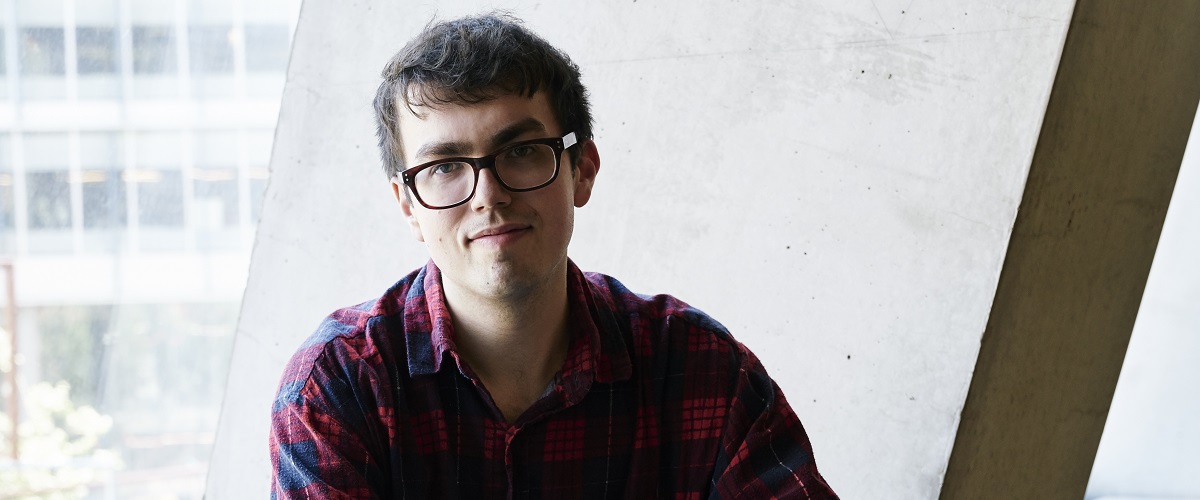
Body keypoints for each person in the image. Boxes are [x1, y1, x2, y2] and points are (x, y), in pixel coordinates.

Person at [270, 12, 837, 499]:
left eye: (521, 151)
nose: (488, 195)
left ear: (582, 170)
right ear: (408, 206)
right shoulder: (337, 386)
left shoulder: (702, 370)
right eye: (443, 166)